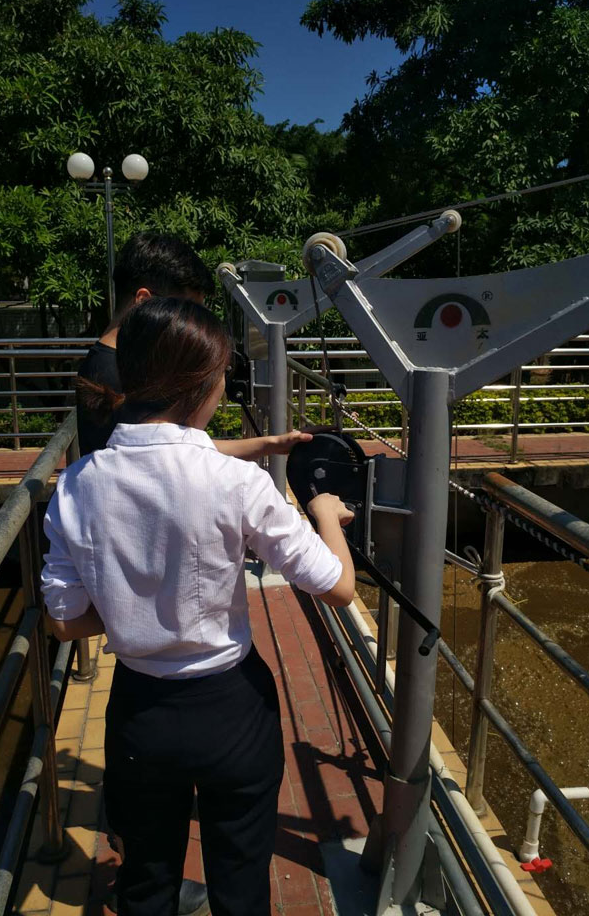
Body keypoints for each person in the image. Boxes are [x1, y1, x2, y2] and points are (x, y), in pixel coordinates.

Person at [42, 298, 355, 916]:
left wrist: (132, 609)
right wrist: (324, 514)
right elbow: (336, 585)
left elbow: (65, 619)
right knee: (240, 883)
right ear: (203, 385)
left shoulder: (78, 483)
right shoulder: (235, 482)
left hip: (139, 712)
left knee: (145, 881)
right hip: (232, 709)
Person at [76, 230, 310, 461]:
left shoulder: (123, 363)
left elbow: (174, 446)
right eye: (186, 311)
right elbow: (166, 454)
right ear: (144, 302)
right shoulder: (113, 374)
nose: (193, 324)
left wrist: (272, 443)